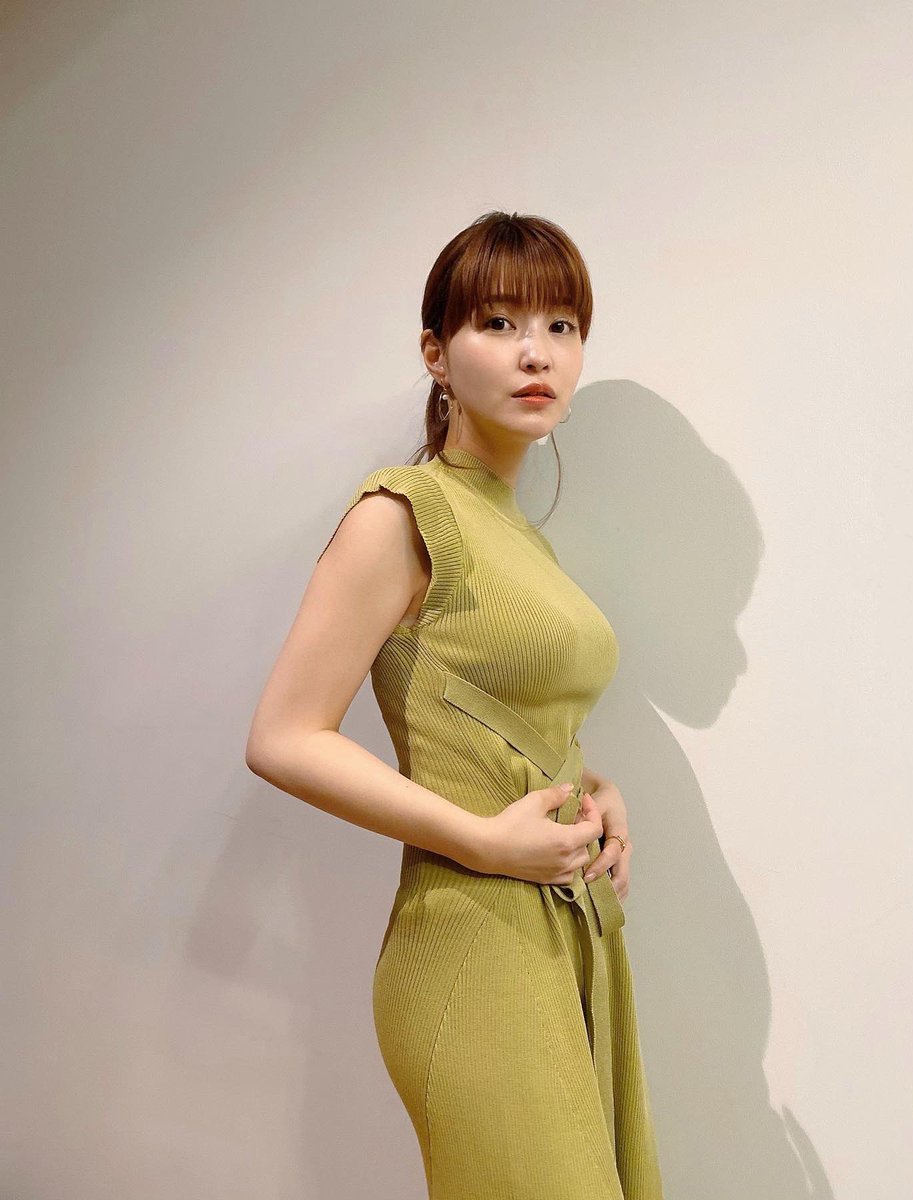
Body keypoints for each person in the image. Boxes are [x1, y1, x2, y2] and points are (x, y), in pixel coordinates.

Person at [245, 211, 664, 1199]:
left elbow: (489, 711)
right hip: (473, 943)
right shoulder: (403, 512)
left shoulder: (521, 535)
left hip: (559, 930)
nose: (536, 353)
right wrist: (481, 840)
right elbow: (283, 737)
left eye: (562, 326)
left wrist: (591, 787)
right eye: (499, 323)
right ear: (436, 353)